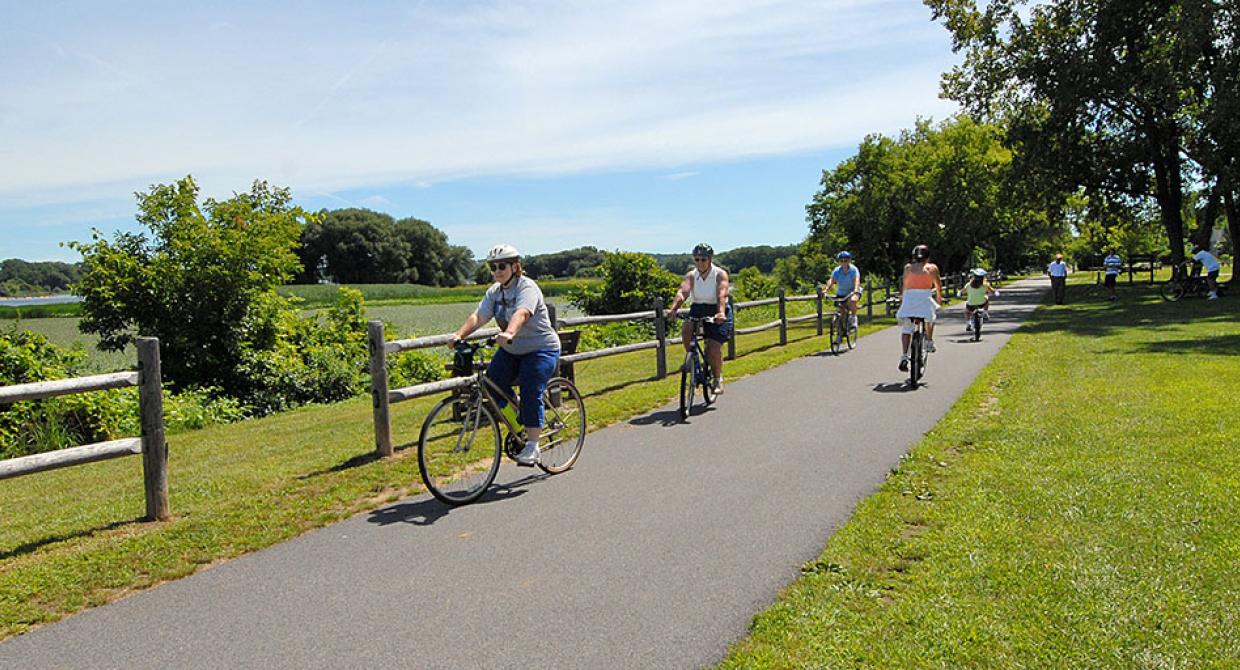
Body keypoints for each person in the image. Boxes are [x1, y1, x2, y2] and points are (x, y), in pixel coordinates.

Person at [448, 244, 561, 466]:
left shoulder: (526, 288)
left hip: (541, 348)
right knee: (490, 384)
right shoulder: (494, 292)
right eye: (493, 267)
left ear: (515, 266)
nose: (497, 271)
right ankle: (521, 423)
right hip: (512, 349)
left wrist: (509, 332)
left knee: (531, 389)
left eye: (502, 266)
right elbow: (479, 316)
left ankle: (533, 446)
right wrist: (458, 335)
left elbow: (522, 313)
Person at [666, 243, 732, 394]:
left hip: (717, 308)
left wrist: (720, 313)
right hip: (697, 308)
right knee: (686, 329)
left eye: (703, 259)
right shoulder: (691, 275)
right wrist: (674, 309)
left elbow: (722, 293)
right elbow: (683, 292)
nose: (700, 263)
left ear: (709, 259)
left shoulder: (720, 274)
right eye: (696, 259)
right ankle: (693, 363)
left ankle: (717, 379)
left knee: (714, 347)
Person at [896, 244, 943, 371]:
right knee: (930, 318)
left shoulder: (908, 268)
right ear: (927, 257)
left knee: (906, 329)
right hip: (924, 298)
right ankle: (928, 341)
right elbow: (938, 285)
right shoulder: (932, 268)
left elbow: (905, 285)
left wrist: (902, 298)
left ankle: (904, 356)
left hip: (909, 299)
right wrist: (939, 298)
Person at [822, 251, 861, 330]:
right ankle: (840, 332)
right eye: (841, 260)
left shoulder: (853, 270)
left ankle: (853, 318)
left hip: (853, 291)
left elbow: (856, 280)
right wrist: (826, 289)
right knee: (841, 313)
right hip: (841, 293)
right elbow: (832, 281)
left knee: (853, 301)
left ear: (849, 261)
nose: (843, 262)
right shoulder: (837, 270)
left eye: (845, 260)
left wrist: (856, 289)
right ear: (839, 261)